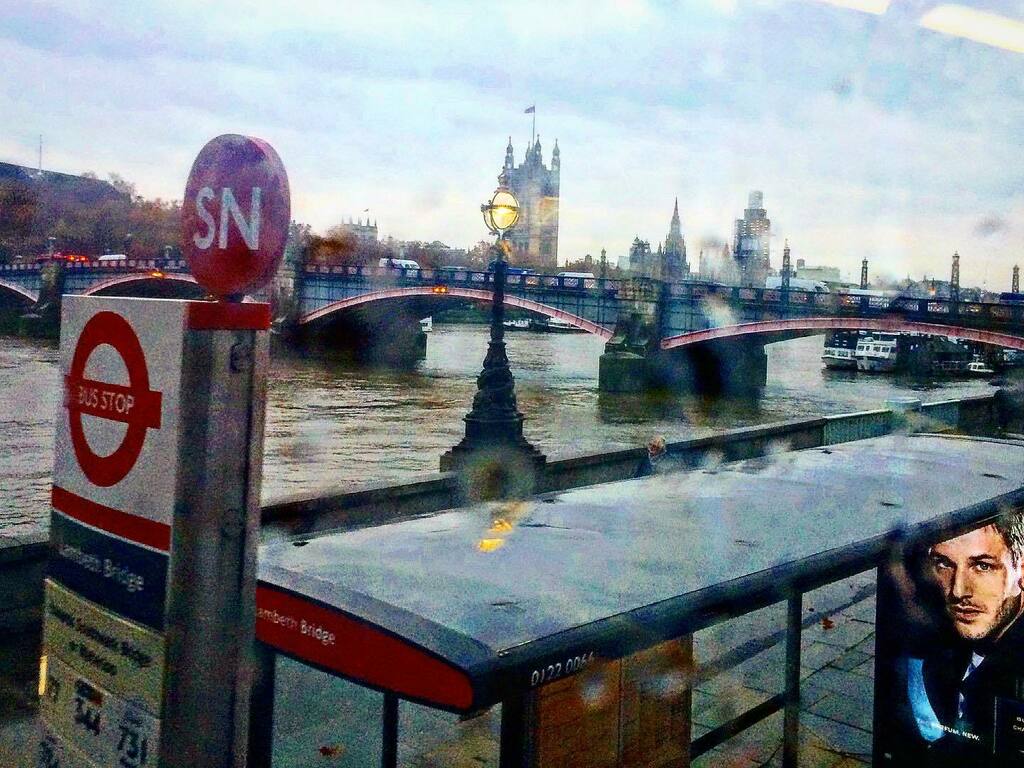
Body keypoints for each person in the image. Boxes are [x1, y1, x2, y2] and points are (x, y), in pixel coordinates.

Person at [908, 511, 1024, 764]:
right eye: (944, 564)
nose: (958, 590)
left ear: (1021, 571)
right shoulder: (940, 657)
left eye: (982, 566)